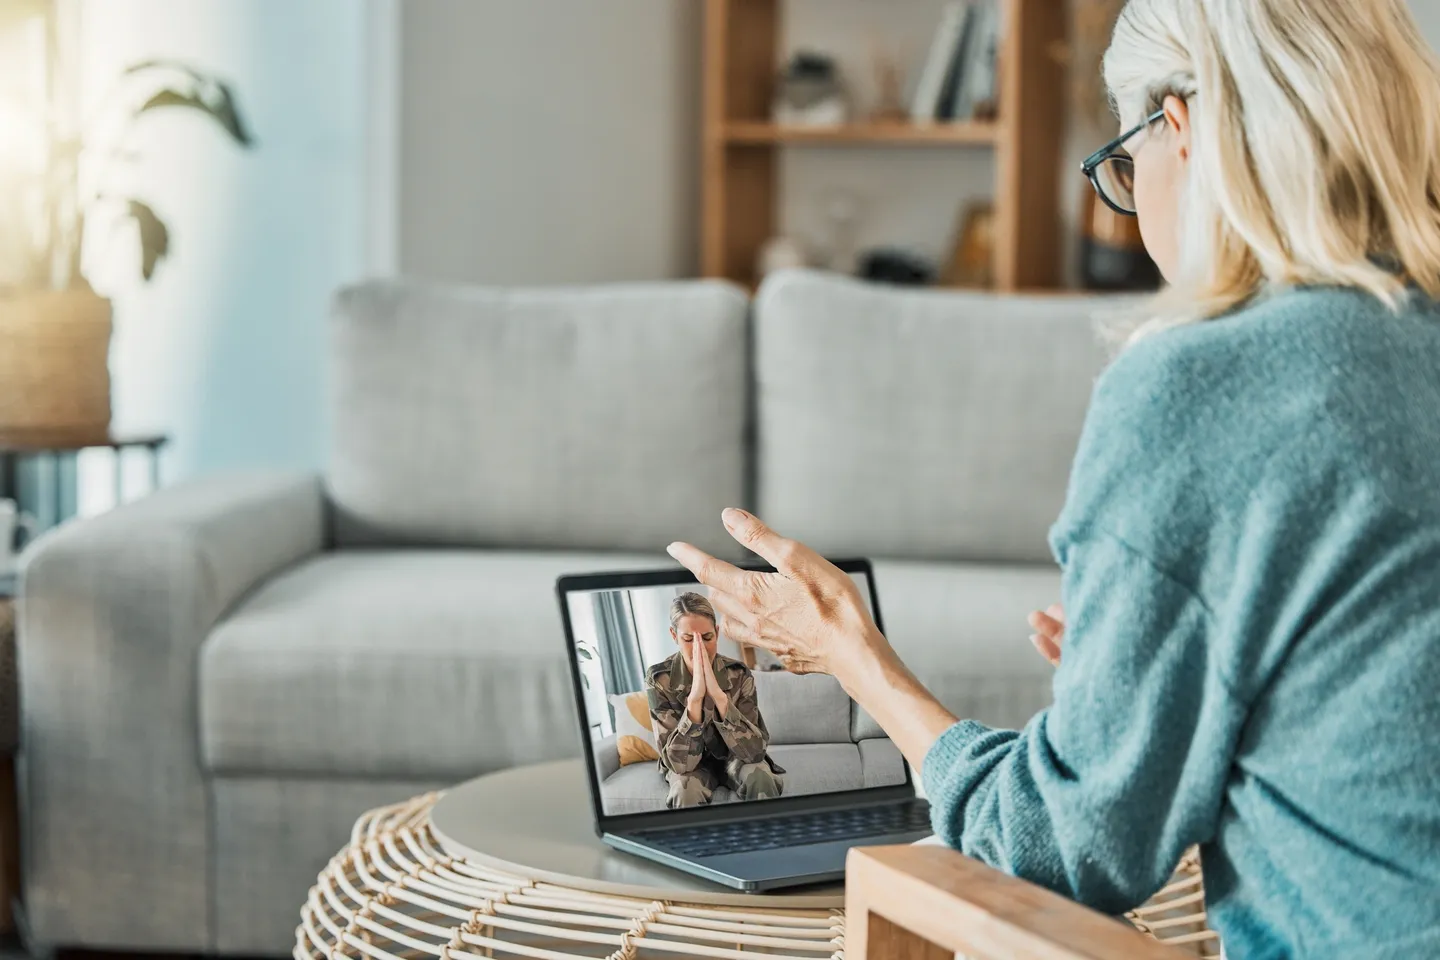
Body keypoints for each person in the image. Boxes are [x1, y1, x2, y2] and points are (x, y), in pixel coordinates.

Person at [666, 0, 1440, 955]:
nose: (1131, 192)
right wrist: (1158, 692)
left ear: (1181, 127)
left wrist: (851, 654)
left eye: (1122, 159)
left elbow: (1071, 851)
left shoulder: (1201, 384)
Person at [646, 592, 783, 808]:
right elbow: (678, 764)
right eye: (688, 639)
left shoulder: (738, 673)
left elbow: (754, 752)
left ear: (717, 633)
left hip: (734, 757)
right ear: (674, 636)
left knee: (760, 777)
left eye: (707, 638)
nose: (699, 647)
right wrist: (694, 701)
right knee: (685, 790)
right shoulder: (659, 679)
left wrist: (720, 698)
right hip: (692, 766)